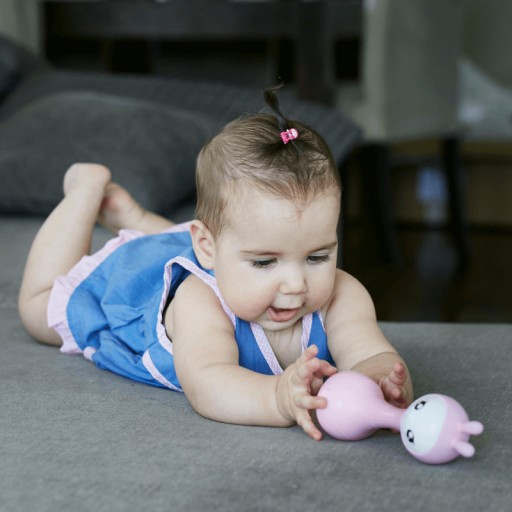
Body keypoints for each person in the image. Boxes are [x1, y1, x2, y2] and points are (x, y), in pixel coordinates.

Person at [18, 85, 413, 441]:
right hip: (137, 282)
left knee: (220, 240)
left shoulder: (343, 295)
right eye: (265, 263)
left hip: (215, 246)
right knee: (39, 310)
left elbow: (371, 353)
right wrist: (276, 397)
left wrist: (383, 383)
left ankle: (135, 217)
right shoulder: (199, 303)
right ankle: (85, 191)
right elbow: (208, 383)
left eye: (317, 256)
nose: (296, 284)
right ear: (207, 247)